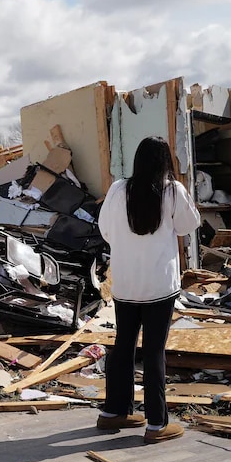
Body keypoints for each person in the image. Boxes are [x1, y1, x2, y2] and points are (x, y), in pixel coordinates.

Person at [96, 136, 200, 443]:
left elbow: (105, 230)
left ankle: (114, 411)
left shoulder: (117, 189)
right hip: (159, 286)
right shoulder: (172, 191)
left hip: (125, 284)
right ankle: (157, 424)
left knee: (123, 345)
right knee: (154, 351)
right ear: (165, 162)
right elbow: (188, 225)